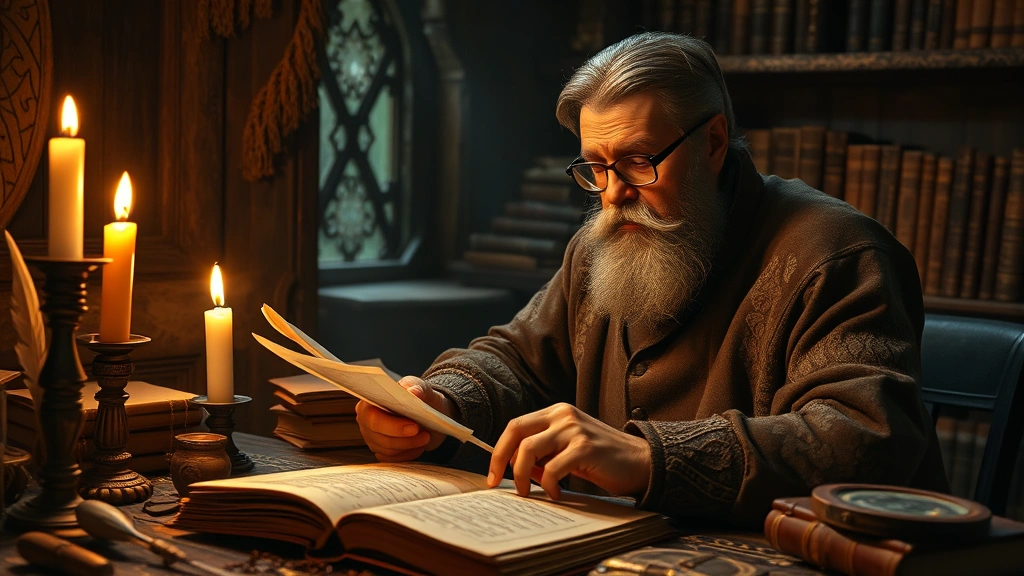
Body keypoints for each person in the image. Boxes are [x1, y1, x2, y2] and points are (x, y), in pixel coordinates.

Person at [354, 32, 947, 526]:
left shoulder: (837, 254)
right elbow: (516, 358)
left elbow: (864, 437)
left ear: (713, 142)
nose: (613, 194)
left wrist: (649, 459)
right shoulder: (603, 242)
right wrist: (438, 403)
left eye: (638, 161)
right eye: (595, 167)